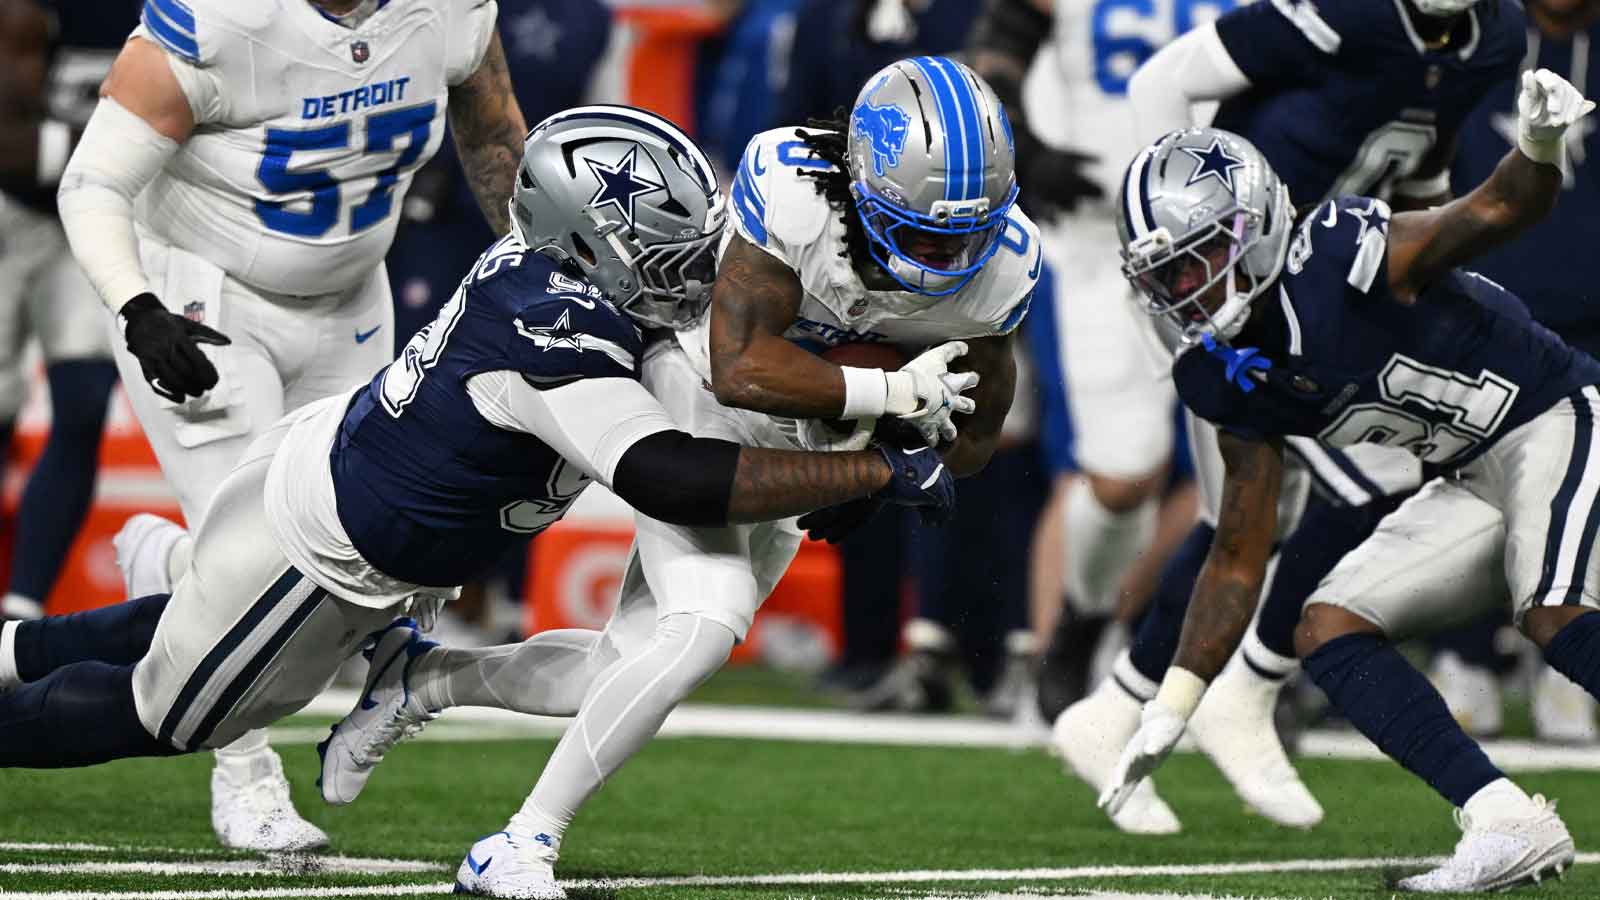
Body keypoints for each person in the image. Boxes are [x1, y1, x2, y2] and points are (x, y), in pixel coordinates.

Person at [0, 107, 956, 900]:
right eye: (667, 255)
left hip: (347, 521)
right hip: (316, 561)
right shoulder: (554, 323)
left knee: (195, 630)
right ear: (586, 244)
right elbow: (670, 475)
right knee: (172, 716)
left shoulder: (578, 283)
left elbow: (709, 396)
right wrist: (869, 465)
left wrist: (848, 425)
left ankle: (69, 621)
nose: (693, 272)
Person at [402, 57, 1039, 899]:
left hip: (813, 441)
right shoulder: (795, 191)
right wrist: (880, 409)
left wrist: (879, 466)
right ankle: (520, 842)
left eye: (969, 232)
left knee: (621, 667)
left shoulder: (1006, 267)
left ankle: (420, 679)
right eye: (922, 232)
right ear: (863, 183)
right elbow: (741, 368)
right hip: (697, 390)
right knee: (705, 624)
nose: (950, 254)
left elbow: (976, 434)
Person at [1100, 68, 1594, 891]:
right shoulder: (1227, 374)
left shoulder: (1342, 258)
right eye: (1170, 278)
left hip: (1559, 414)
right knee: (1327, 625)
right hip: (1471, 472)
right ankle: (1505, 818)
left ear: (1253, 229)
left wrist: (1538, 145)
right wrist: (1172, 704)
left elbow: (1498, 209)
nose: (1187, 293)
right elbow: (1237, 550)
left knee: (1552, 613)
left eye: (1200, 262)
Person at [53, 0, 528, 852]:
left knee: (357, 551)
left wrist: (536, 269)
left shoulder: (448, 11)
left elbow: (493, 142)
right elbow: (92, 182)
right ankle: (245, 780)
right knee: (250, 563)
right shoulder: (220, 19)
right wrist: (138, 307)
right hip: (202, 297)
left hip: (351, 294)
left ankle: (163, 561)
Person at [1050, 0, 1526, 833]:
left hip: (1326, 284)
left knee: (1248, 516)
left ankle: (1120, 706)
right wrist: (1171, 229)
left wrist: (1429, 257)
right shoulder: (1344, 14)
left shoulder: (1496, 38)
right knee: (1363, 478)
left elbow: (1419, 159)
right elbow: (1165, 80)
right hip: (1227, 279)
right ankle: (1248, 682)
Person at [1437, 0, 1600, 744]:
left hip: (1593, 311)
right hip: (1488, 304)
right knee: (1475, 490)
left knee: (1586, 496)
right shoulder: (1484, 40)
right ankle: (1464, 656)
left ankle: (1560, 663)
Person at [0, 0, 132, 621]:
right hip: (12, 213)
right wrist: (131, 144)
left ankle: (21, 614)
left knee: (82, 404)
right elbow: (5, 139)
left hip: (94, 219)